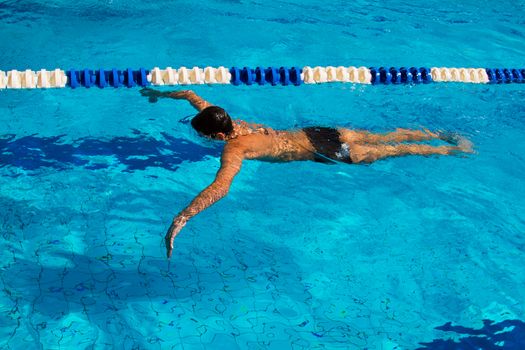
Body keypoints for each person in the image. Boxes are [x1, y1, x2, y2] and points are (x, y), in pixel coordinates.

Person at [140, 88, 473, 258]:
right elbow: (191, 96)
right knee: (387, 136)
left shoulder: (233, 148)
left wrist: (183, 217)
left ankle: (451, 149)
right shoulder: (227, 120)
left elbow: (222, 186)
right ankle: (443, 133)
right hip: (316, 133)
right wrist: (157, 95)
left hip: (324, 153)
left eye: (203, 136)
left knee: (394, 151)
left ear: (217, 136)